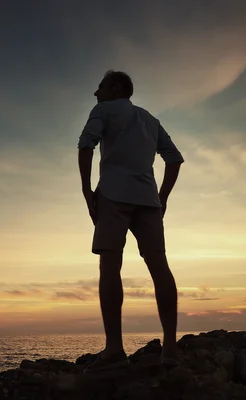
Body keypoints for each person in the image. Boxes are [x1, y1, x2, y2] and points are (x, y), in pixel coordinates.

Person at [77, 70, 184, 374]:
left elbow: (86, 144)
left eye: (100, 87)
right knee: (160, 267)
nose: (95, 93)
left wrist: (86, 190)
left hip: (113, 196)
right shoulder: (149, 119)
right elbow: (174, 158)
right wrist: (162, 198)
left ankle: (114, 349)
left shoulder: (103, 109)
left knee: (110, 267)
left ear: (114, 88)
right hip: (148, 201)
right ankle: (171, 349)